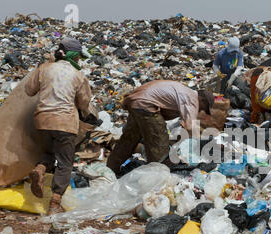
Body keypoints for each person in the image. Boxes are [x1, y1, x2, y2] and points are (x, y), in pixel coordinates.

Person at [25, 37, 92, 215]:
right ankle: (55, 203)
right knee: (64, 162)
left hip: (41, 119)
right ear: (75, 56)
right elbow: (84, 104)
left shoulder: (44, 68)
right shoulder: (78, 75)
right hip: (65, 122)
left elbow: (29, 90)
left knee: (48, 152)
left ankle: (39, 169)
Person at [106, 80, 215, 175]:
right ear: (203, 100)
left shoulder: (184, 91)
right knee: (159, 144)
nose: (201, 110)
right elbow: (190, 126)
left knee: (128, 139)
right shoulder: (192, 98)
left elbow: (184, 125)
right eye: (204, 108)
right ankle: (155, 177)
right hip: (147, 106)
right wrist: (203, 142)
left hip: (136, 102)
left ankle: (110, 169)